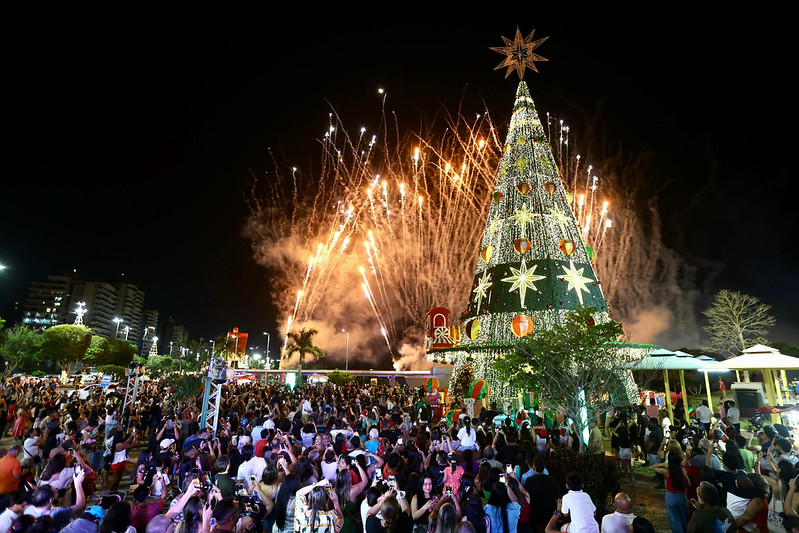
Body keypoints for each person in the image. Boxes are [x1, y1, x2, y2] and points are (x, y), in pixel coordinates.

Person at [652, 448, 688, 533]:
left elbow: (653, 467)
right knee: (684, 516)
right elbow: (688, 483)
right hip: (682, 496)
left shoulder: (667, 472)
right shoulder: (683, 470)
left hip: (671, 496)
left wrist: (664, 464)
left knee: (674, 517)